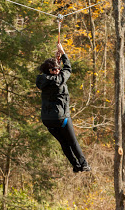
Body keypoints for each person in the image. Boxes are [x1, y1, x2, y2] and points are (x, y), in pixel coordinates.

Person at [36, 43, 91, 173]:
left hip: (47, 120)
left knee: (64, 143)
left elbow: (60, 70)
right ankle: (84, 164)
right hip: (61, 118)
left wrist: (57, 60)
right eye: (54, 70)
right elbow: (68, 69)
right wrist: (64, 53)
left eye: (57, 69)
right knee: (73, 142)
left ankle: (76, 166)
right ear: (48, 71)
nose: (57, 71)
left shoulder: (41, 80)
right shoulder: (58, 80)